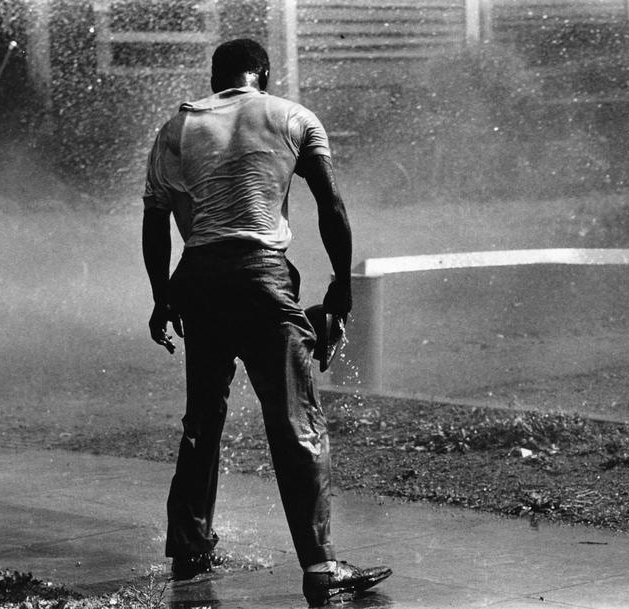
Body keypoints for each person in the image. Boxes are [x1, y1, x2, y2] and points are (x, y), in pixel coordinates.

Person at [141, 38, 392, 606]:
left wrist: (162, 298)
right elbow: (332, 206)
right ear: (266, 75)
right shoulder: (294, 117)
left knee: (203, 416)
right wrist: (343, 287)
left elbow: (155, 221)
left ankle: (189, 548)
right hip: (260, 276)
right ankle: (322, 567)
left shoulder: (178, 127)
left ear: (216, 77)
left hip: (199, 277)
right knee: (295, 419)